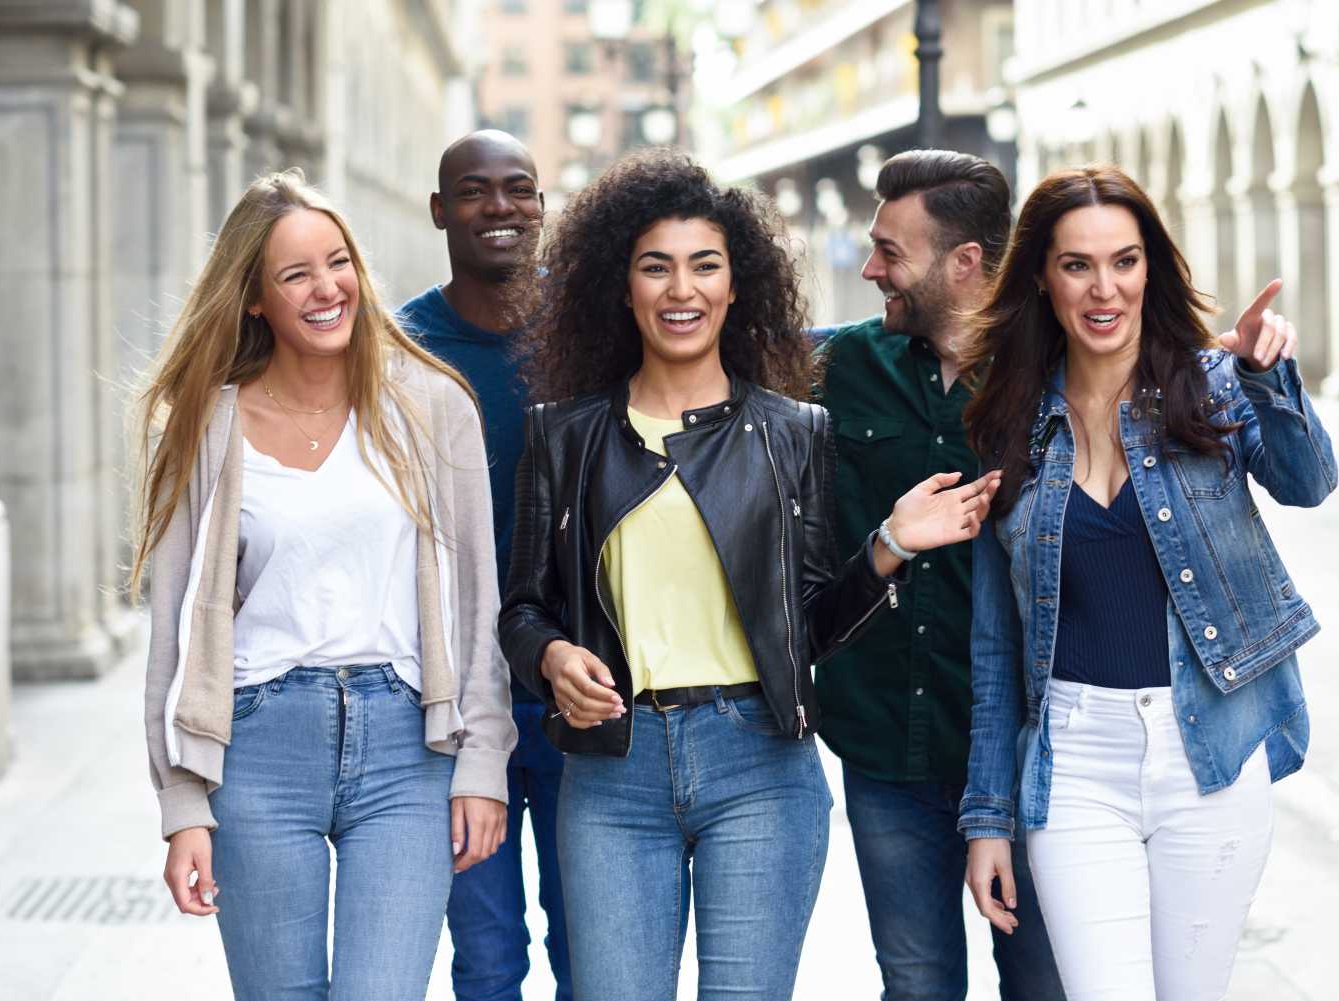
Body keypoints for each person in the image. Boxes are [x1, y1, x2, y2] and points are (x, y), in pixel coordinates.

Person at [497, 148, 1001, 1001]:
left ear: (736, 287)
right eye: (655, 267)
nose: (680, 289)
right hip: (613, 771)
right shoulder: (564, 435)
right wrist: (548, 657)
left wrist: (889, 544)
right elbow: (520, 609)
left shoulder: (795, 431)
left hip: (758, 763)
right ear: (621, 287)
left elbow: (809, 625)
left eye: (704, 266)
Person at [135, 168, 516, 1000]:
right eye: (295, 273)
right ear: (253, 300)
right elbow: (172, 627)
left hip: (405, 747)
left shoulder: (432, 405)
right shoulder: (210, 423)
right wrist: (183, 802)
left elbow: (473, 604)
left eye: (337, 262)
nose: (326, 288)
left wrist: (482, 760)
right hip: (259, 745)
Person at [959, 165, 1337, 1001]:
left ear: (1148, 270)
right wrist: (987, 819)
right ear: (1041, 278)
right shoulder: (1009, 422)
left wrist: (1270, 375)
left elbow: (1308, 481)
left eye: (1124, 262)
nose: (1105, 288)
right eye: (1077, 265)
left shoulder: (1211, 386)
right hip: (1075, 755)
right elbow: (995, 643)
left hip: (1205, 746)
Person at [812, 149, 1063, 1001]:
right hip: (887, 746)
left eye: (890, 251)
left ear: (966, 263)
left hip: (1027, 754)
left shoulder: (1055, 376)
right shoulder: (841, 365)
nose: (869, 267)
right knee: (914, 985)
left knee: (1044, 984)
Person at [399, 130, 573, 1001]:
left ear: (543, 205)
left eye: (520, 189)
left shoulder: (590, 336)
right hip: (461, 701)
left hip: (581, 696)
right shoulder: (398, 351)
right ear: (439, 210)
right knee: (488, 956)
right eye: (474, 191)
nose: (500, 208)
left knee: (596, 953)